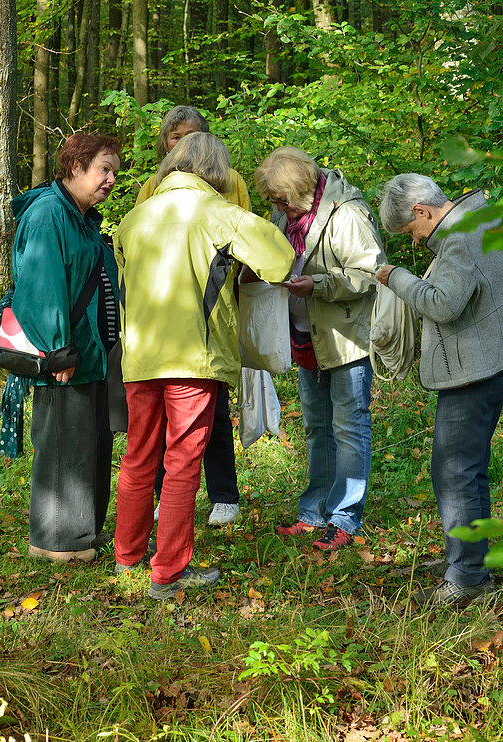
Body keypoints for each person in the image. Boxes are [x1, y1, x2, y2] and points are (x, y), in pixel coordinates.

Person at [114, 133, 293, 598]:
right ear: (216, 169)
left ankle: (128, 557)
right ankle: (168, 573)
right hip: (195, 357)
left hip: (140, 357)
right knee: (182, 462)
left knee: (138, 456)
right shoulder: (219, 213)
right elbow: (280, 260)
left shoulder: (133, 219)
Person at [377, 174, 503, 606]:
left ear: (421, 212)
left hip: (475, 367)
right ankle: (474, 560)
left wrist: (396, 277)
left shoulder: (456, 239)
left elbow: (444, 304)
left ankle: (468, 578)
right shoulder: (484, 218)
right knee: (471, 470)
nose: (413, 241)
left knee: (453, 472)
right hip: (492, 359)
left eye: (411, 231)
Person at [254, 147, 385, 551]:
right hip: (304, 334)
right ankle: (313, 513)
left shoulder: (348, 212)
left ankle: (345, 518)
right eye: (273, 201)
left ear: (302, 190)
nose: (278, 208)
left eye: (282, 200)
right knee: (316, 428)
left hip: (344, 338)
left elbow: (370, 272)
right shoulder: (286, 210)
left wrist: (320, 285)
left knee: (349, 428)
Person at [135, 105, 250, 527]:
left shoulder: (229, 181)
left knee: (213, 408)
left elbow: (246, 240)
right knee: (164, 419)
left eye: (191, 136)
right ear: (164, 142)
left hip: (210, 311)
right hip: (159, 316)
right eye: (174, 137)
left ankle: (224, 494)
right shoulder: (153, 185)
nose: (182, 144)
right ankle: (168, 497)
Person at [9, 133, 122, 563]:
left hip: (93, 355)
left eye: (114, 171)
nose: (111, 179)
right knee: (63, 443)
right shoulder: (48, 215)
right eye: (103, 169)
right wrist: (58, 349)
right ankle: (56, 541)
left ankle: (82, 533)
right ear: (75, 167)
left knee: (89, 445)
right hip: (67, 357)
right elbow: (42, 286)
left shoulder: (81, 216)